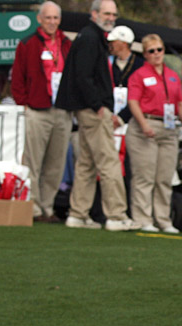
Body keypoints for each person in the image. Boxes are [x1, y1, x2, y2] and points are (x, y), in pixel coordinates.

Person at [55, 0, 135, 231]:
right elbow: (83, 76)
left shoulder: (91, 36)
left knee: (87, 163)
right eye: (106, 13)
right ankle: (117, 215)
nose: (110, 17)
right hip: (92, 109)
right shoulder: (91, 37)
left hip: (88, 108)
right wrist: (98, 105)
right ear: (94, 14)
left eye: (113, 14)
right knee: (109, 161)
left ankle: (78, 214)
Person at [10, 1, 71, 222]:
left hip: (62, 110)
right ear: (39, 19)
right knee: (33, 161)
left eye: (55, 18)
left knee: (56, 163)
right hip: (37, 109)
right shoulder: (27, 44)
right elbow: (17, 78)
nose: (52, 22)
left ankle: (48, 207)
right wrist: (24, 103)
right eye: (48, 18)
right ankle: (32, 206)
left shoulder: (67, 44)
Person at [126, 33, 182, 234]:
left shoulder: (172, 75)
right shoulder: (139, 75)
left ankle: (163, 219)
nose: (156, 54)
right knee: (144, 176)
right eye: (151, 51)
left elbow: (180, 102)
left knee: (164, 177)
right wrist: (144, 124)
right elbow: (133, 101)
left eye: (159, 50)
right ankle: (143, 217)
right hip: (146, 126)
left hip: (169, 128)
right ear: (145, 54)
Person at [107, 25, 142, 124]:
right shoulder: (107, 62)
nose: (110, 44)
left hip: (132, 119)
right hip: (109, 117)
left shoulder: (140, 64)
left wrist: (121, 118)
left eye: (113, 41)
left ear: (124, 43)